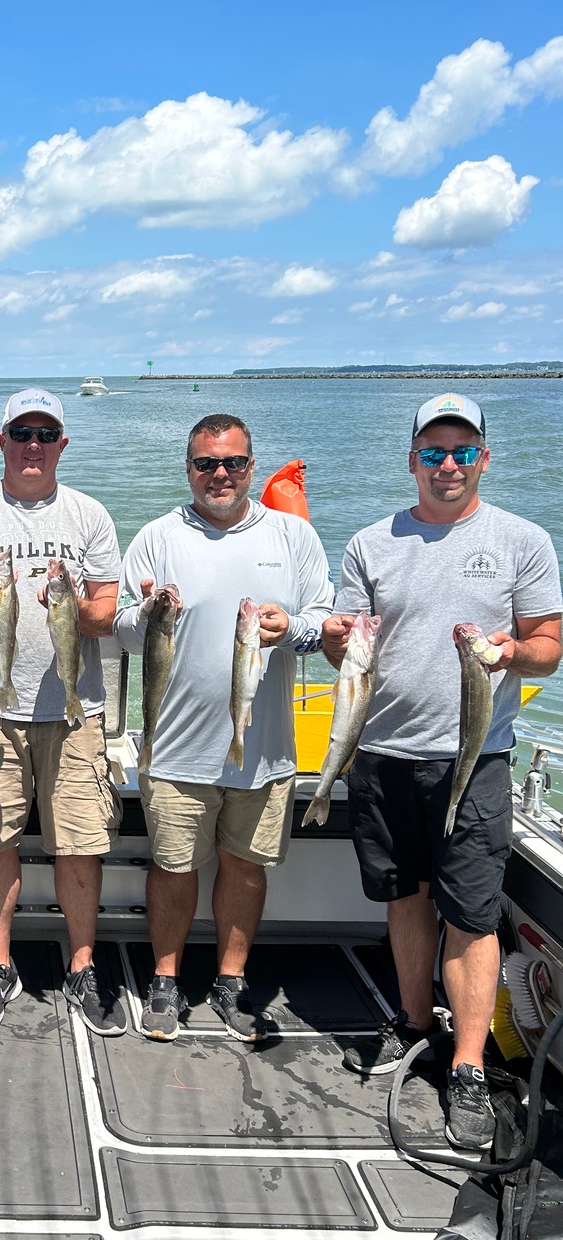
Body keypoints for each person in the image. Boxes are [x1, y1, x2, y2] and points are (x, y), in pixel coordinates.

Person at [322, 393, 560, 1151]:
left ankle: (467, 1064)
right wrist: (334, 637)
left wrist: (511, 652)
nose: (447, 464)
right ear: (413, 461)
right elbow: (343, 642)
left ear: (483, 459)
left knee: (472, 913)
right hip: (381, 753)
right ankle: (413, 1020)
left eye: (461, 451)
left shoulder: (522, 540)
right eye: (433, 452)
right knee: (405, 897)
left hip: (475, 758)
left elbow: (549, 644)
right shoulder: (371, 542)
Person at [113, 414, 333, 1042]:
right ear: (188, 468)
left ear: (251, 467)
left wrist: (290, 628)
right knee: (172, 867)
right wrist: (148, 612)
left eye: (233, 462)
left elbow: (326, 621)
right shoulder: (157, 536)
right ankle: (164, 978)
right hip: (175, 748)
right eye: (206, 463)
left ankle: (231, 981)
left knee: (245, 869)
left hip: (265, 752)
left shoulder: (293, 536)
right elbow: (121, 628)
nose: (220, 474)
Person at [0, 388, 126, 1035]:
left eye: (46, 434)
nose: (33, 445)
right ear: (2, 441)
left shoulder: (90, 516)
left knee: (80, 842)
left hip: (75, 711)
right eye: (22, 433)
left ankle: (82, 966)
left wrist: (69, 602)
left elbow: (107, 615)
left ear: (62, 445)